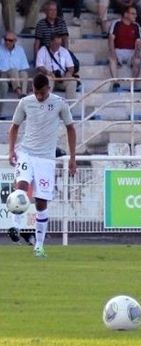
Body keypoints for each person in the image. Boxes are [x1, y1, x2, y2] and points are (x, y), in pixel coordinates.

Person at [6, 73, 77, 257]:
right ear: (33, 90)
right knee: (20, 188)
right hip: (27, 153)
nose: (39, 97)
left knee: (41, 202)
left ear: (49, 89)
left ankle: (38, 245)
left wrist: (72, 157)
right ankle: (15, 227)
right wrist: (12, 150)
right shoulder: (25, 102)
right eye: (36, 93)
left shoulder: (60, 103)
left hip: (46, 159)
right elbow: (14, 126)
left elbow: (71, 128)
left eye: (42, 93)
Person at [108, 5, 141, 92]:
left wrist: (137, 54)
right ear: (126, 14)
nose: (135, 16)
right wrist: (113, 53)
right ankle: (116, 83)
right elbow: (111, 39)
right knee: (111, 58)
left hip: (131, 51)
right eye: (133, 14)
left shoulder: (136, 26)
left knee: (138, 60)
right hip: (118, 50)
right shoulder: (116, 23)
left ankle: (133, 86)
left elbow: (138, 43)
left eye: (136, 14)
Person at [35, 33, 78, 99]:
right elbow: (39, 66)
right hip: (48, 77)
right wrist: (48, 72)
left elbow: (71, 67)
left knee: (72, 81)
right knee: (48, 79)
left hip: (61, 78)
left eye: (59, 44)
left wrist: (69, 73)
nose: (58, 46)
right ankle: (46, 105)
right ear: (51, 42)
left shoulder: (64, 51)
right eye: (56, 44)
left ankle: (70, 106)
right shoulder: (43, 50)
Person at [0, 32, 30, 116]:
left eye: (10, 40)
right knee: (12, 71)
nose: (7, 42)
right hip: (3, 74)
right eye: (6, 40)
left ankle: (22, 94)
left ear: (15, 41)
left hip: (16, 76)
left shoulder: (20, 49)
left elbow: (24, 66)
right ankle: (20, 94)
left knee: (24, 73)